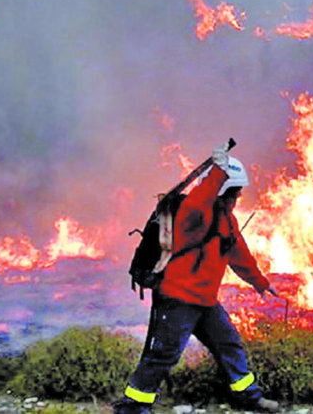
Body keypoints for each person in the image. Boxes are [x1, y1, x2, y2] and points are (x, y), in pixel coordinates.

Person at [114, 144, 280, 413]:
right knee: (164, 354)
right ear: (223, 191)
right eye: (235, 193)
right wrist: (218, 171)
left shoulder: (228, 220)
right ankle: (133, 405)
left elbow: (239, 254)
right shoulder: (193, 214)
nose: (237, 198)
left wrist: (260, 282)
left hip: (205, 301)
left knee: (229, 343)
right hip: (177, 299)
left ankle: (248, 397)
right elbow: (199, 200)